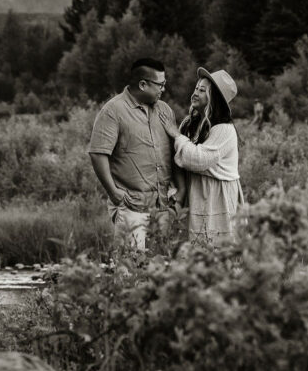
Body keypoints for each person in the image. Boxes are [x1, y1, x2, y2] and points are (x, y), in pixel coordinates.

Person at [88, 57, 184, 251]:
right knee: (130, 271)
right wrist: (114, 193)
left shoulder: (164, 110)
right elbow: (98, 154)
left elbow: (175, 151)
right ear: (143, 84)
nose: (163, 89)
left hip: (163, 206)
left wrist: (181, 191)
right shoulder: (113, 111)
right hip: (132, 206)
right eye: (160, 84)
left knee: (159, 271)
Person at [160, 68, 243, 244]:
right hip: (196, 193)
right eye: (196, 88)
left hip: (217, 197)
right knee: (194, 249)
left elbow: (198, 159)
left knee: (217, 249)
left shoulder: (224, 129)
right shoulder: (191, 123)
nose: (195, 93)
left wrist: (176, 135)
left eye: (202, 90)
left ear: (214, 99)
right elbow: (178, 157)